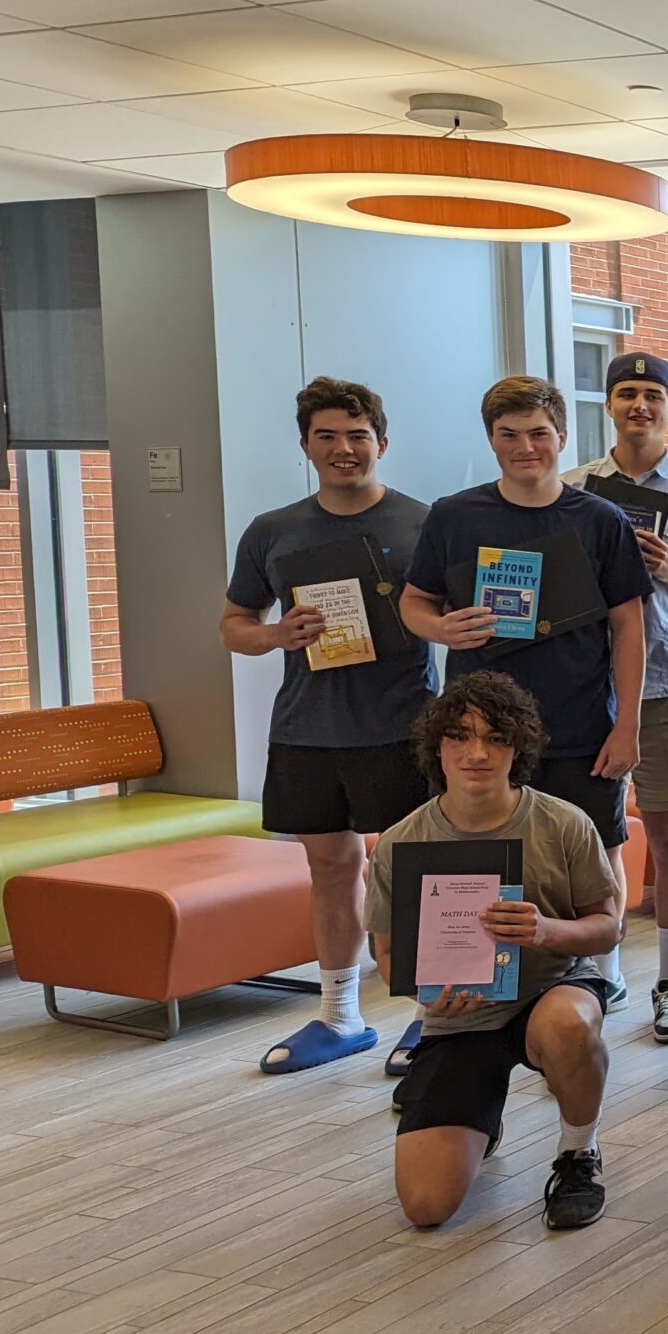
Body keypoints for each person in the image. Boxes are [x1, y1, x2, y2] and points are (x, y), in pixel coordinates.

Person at [399, 376, 649, 1077]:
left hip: (577, 723)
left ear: (563, 438)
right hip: (479, 731)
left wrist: (626, 724)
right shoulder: (454, 515)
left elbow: (629, 626)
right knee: (472, 862)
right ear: (491, 441)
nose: (525, 448)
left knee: (592, 854)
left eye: (539, 433)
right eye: (509, 435)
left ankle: (591, 982)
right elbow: (414, 604)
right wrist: (439, 625)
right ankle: (461, 1001)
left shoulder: (598, 519)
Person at [220, 377, 437, 1075]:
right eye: (327, 437)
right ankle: (340, 1015)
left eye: (357, 436)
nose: (344, 449)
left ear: (382, 441)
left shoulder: (423, 522)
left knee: (416, 871)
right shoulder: (273, 530)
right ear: (307, 445)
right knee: (331, 868)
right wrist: (277, 635)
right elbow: (234, 624)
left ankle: (430, 1018)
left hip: (402, 726)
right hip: (308, 727)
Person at [372, 673, 621, 1231]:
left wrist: (545, 931)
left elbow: (607, 929)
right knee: (426, 1207)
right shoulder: (401, 842)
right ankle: (479, 1116)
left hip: (549, 990)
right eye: (460, 736)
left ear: (519, 746)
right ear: (437, 748)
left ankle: (578, 1153)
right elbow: (387, 951)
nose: (477, 752)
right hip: (457, 1019)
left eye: (495, 736)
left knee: (569, 1027)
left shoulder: (563, 824)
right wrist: (426, 994)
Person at [565, 351, 668, 1041]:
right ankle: (603, 971)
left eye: (653, 394)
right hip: (582, 690)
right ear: (609, 405)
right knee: (593, 838)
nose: (640, 405)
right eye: (626, 393)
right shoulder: (573, 490)